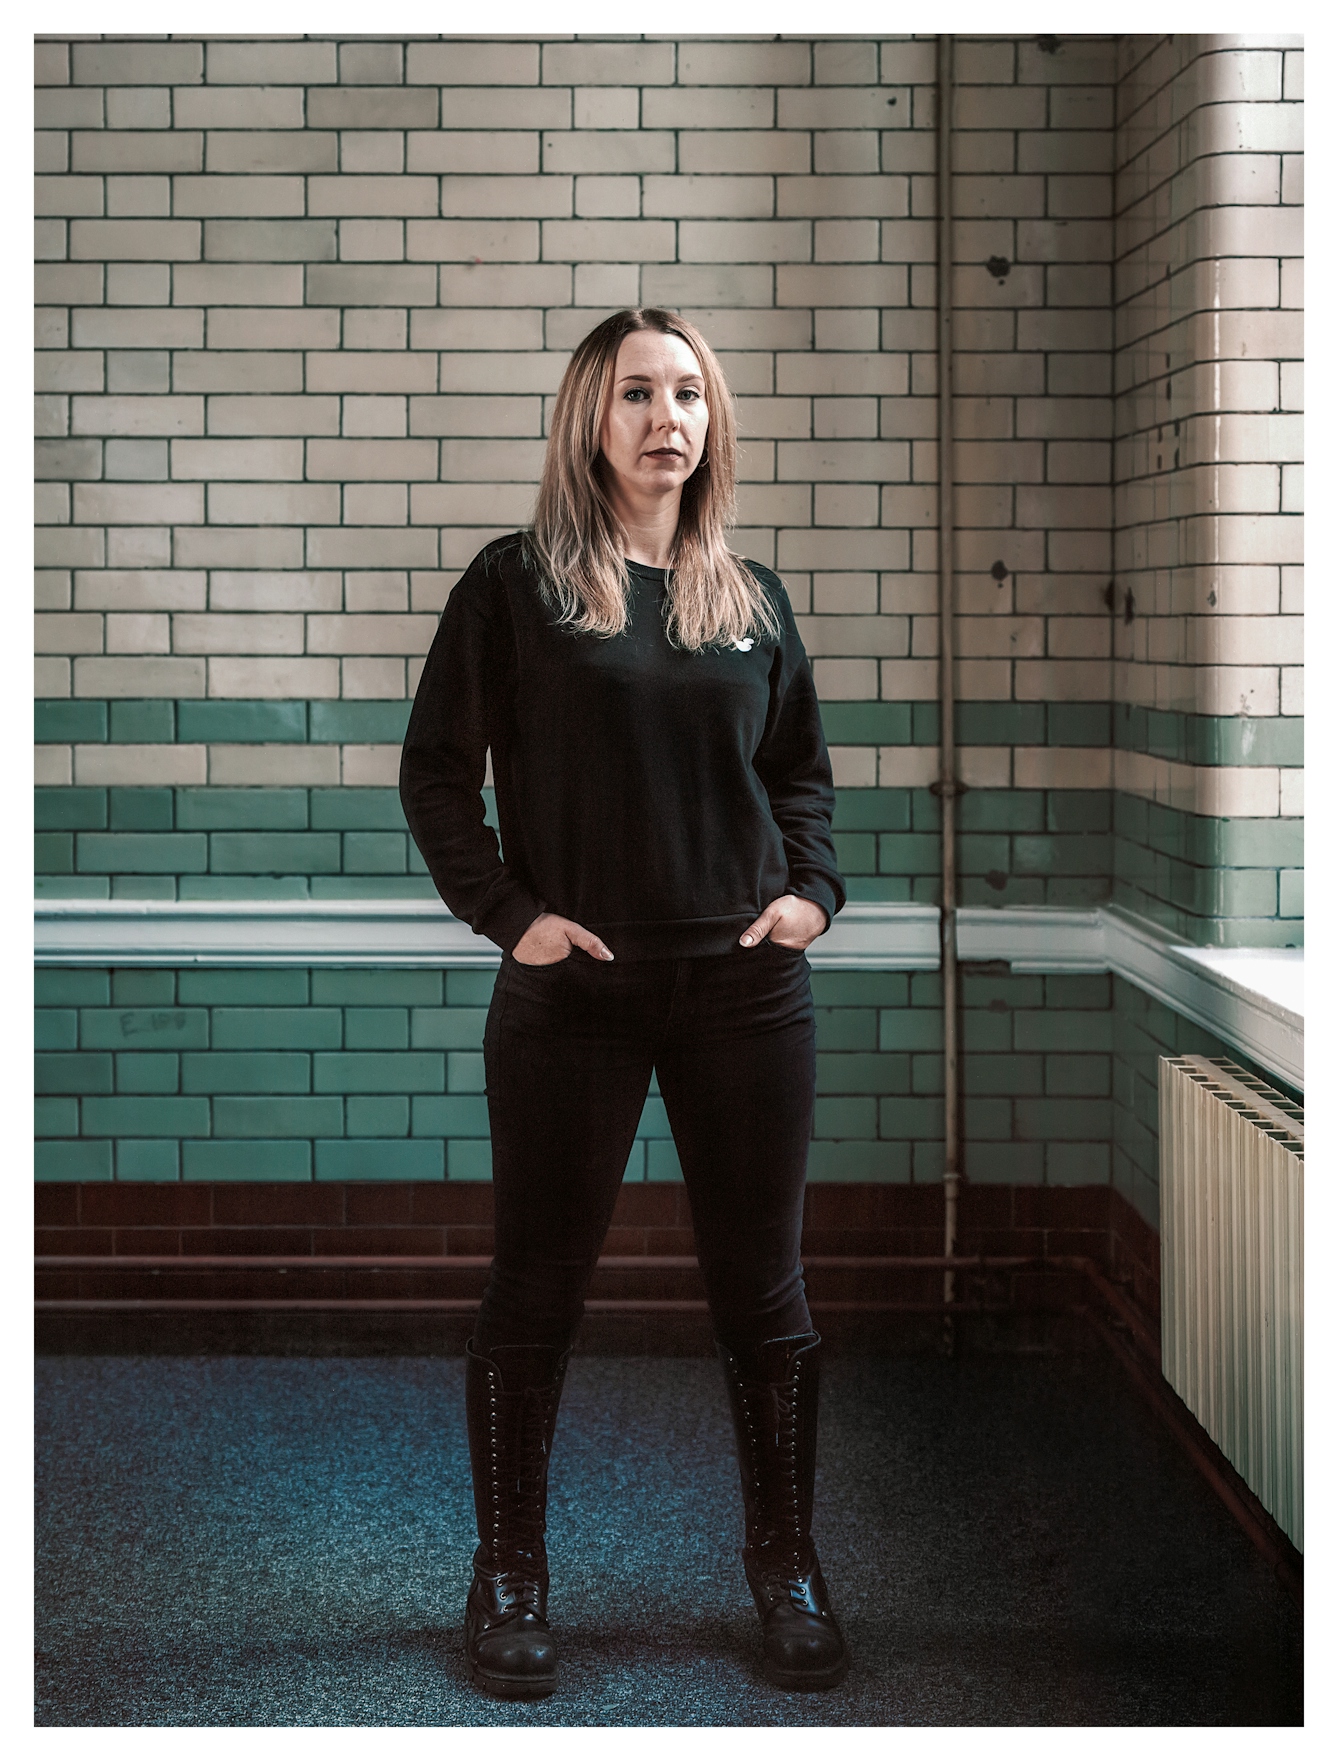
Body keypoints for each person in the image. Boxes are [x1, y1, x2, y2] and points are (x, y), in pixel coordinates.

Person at [400, 307, 849, 1700]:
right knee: (534, 1290)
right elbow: (434, 771)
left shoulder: (749, 594)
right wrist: (509, 917)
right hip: (576, 995)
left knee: (761, 1296)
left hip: (744, 991)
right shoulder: (515, 586)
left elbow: (800, 776)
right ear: (590, 419)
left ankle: (784, 1569)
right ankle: (509, 1579)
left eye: (690, 396)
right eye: (640, 395)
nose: (669, 419)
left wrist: (811, 896)